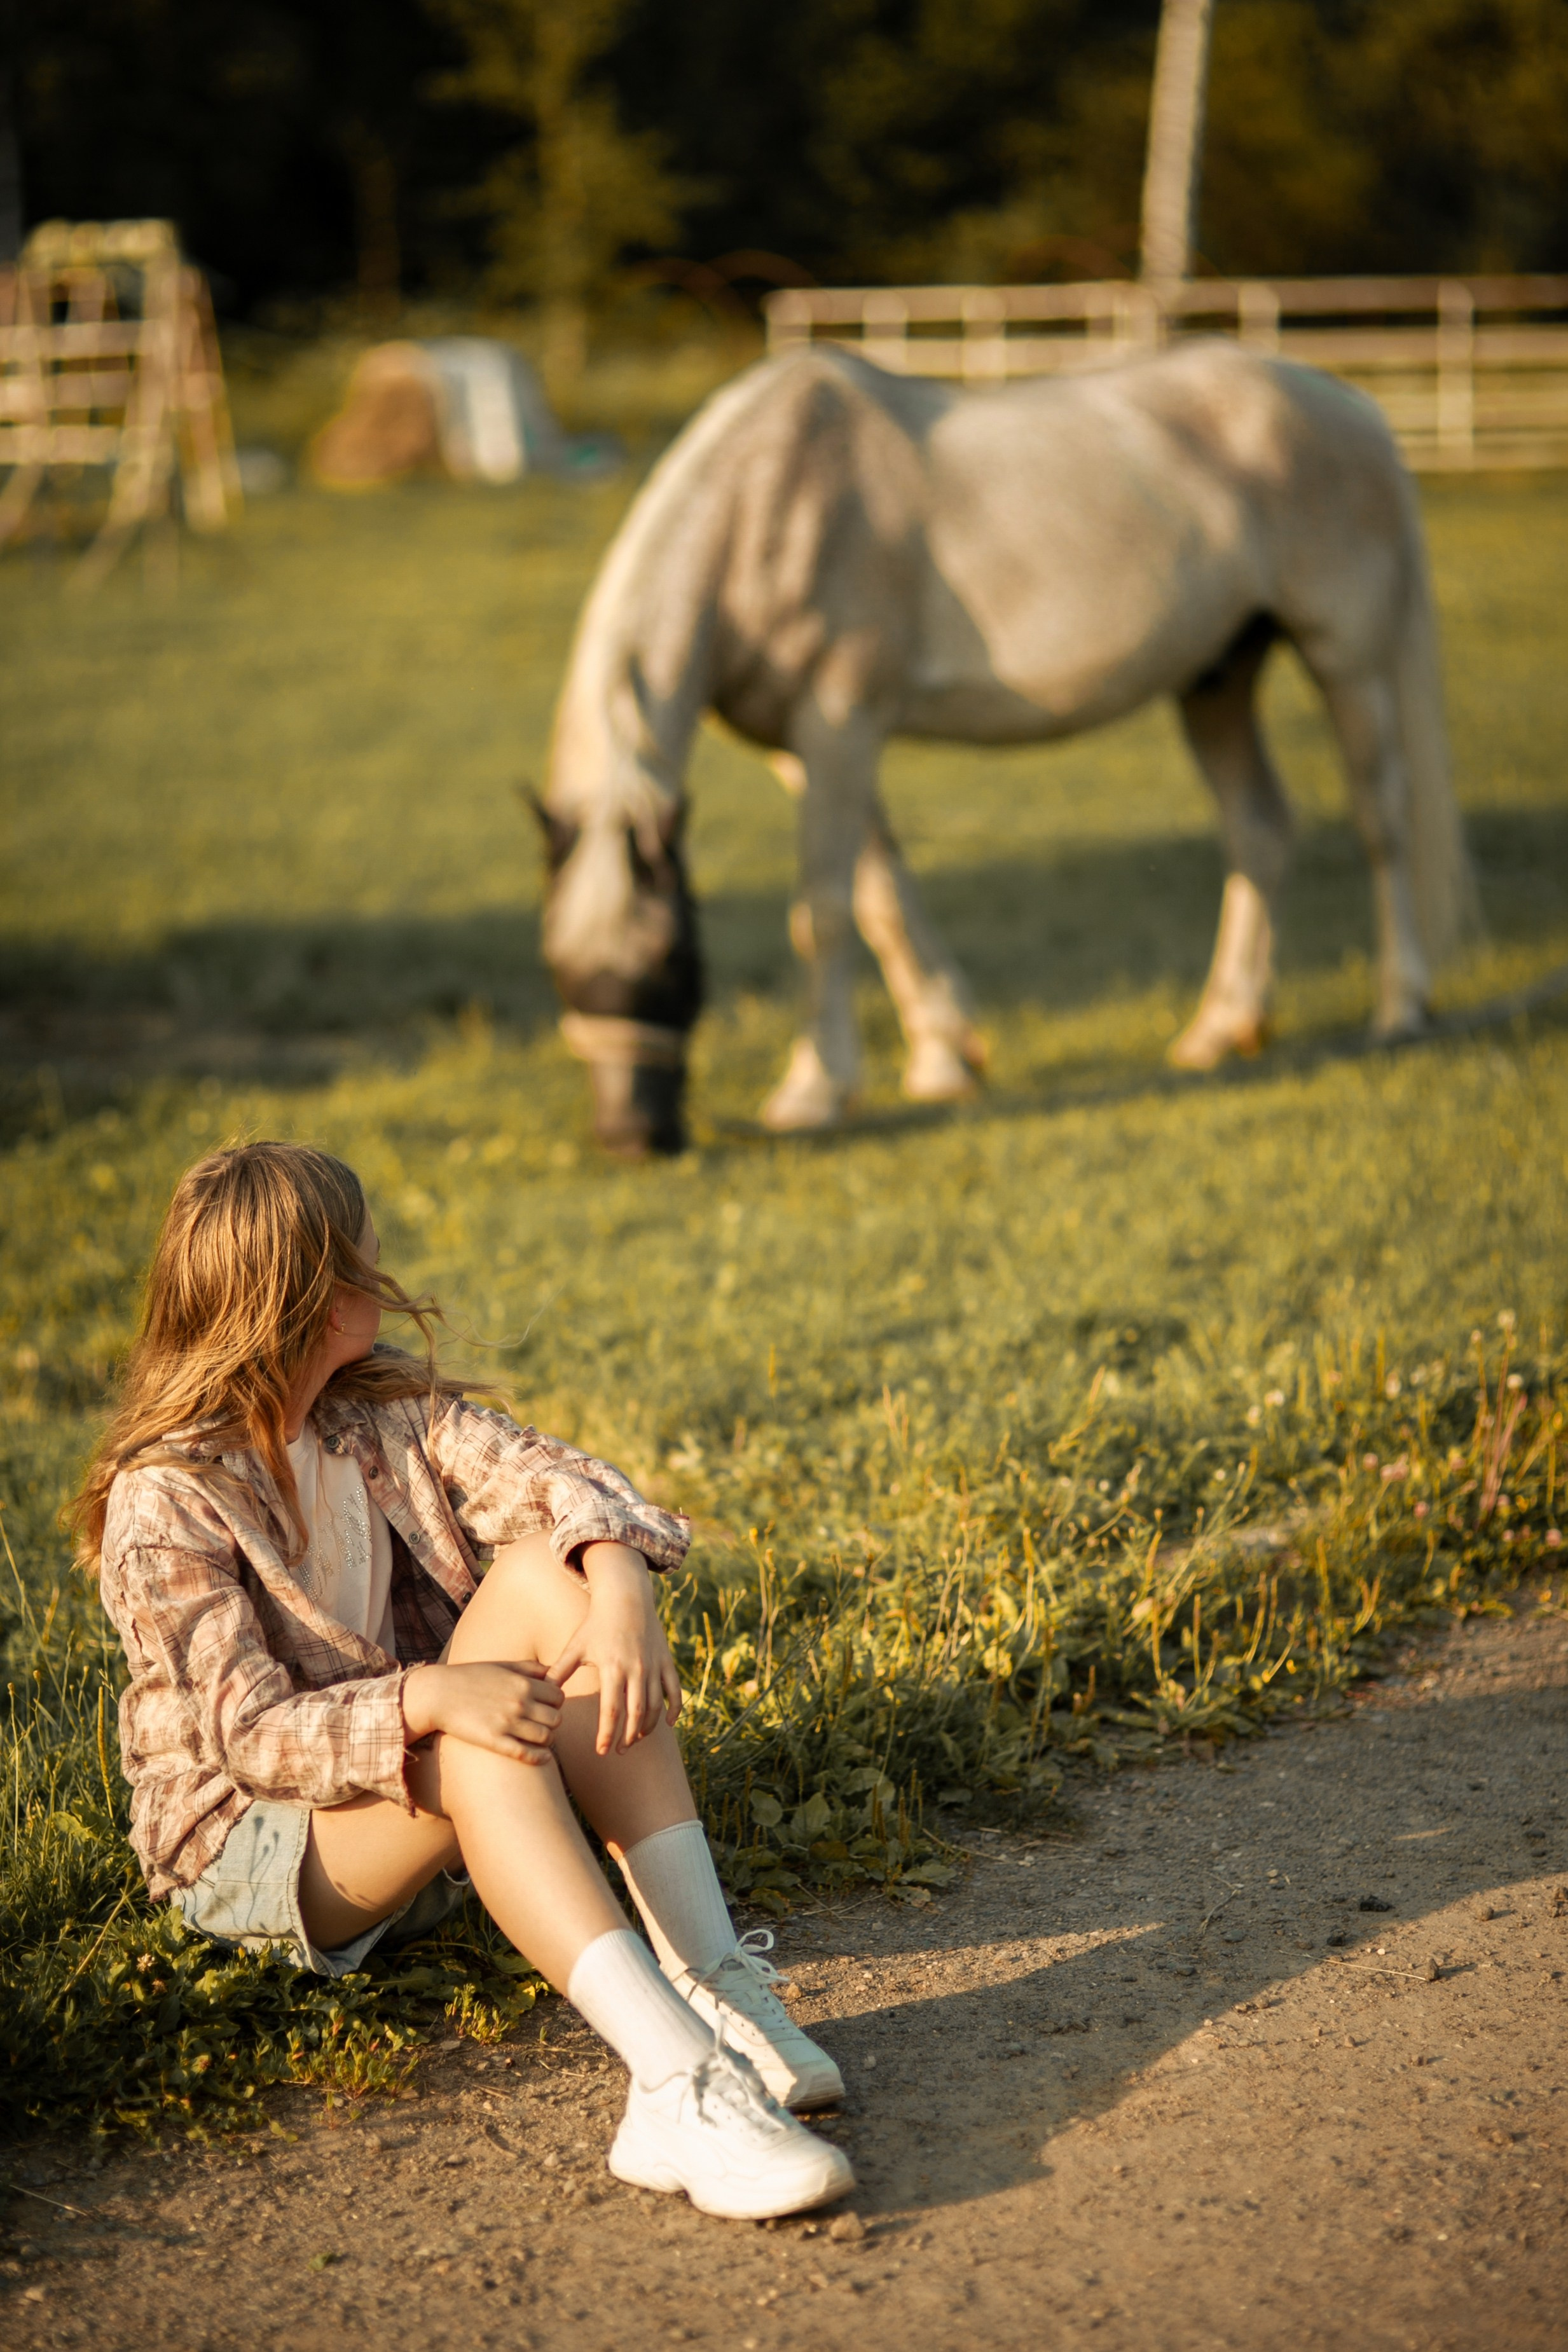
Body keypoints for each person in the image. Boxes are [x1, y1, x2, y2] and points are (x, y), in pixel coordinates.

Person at [72, 1141, 850, 2221]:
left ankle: (711, 1981)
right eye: (368, 1247)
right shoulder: (166, 1498)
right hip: (257, 1845)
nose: (388, 1263)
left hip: (416, 1787)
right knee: (478, 1744)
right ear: (320, 1295)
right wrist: (430, 1701)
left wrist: (620, 1583)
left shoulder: (378, 1407)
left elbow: (559, 1482)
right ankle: (675, 2086)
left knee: (551, 1574)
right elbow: (253, 1737)